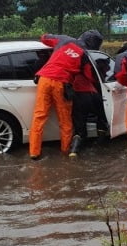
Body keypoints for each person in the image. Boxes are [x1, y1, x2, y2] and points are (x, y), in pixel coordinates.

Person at [29, 30, 103, 160]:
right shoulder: (85, 55)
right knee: (65, 120)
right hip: (62, 83)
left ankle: (34, 152)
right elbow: (91, 76)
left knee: (39, 117)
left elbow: (45, 37)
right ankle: (65, 151)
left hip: (44, 79)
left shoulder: (64, 39)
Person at [68, 58, 110, 157]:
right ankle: (100, 145)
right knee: (102, 117)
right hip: (92, 95)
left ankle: (74, 151)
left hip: (78, 97)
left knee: (79, 126)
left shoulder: (72, 70)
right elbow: (93, 79)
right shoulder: (87, 65)